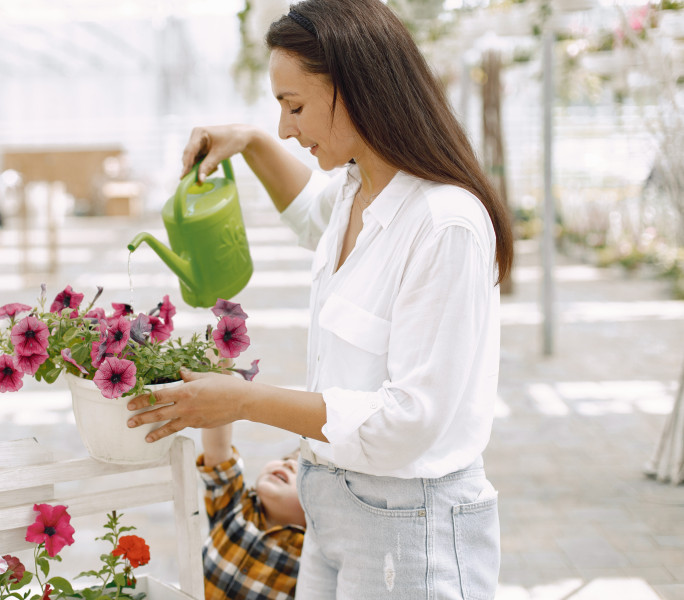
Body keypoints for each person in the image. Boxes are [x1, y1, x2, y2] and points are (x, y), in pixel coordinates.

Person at [127, 0, 513, 597]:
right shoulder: (358, 189)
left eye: (295, 106)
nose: (287, 127)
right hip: (332, 507)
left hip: (410, 529)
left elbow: (408, 420)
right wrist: (251, 143)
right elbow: (311, 212)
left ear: (356, 90)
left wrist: (244, 401)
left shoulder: (444, 224)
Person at [198, 423, 305, 600]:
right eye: (286, 458)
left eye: (303, 470)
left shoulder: (310, 551)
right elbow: (217, 453)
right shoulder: (236, 505)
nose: (289, 464)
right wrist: (221, 410)